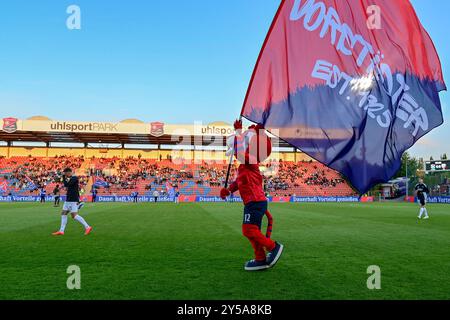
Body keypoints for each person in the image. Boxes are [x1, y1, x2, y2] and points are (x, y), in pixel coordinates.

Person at [220, 120, 283, 271]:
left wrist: (237, 132)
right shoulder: (244, 166)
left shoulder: (250, 160)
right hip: (252, 202)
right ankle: (260, 258)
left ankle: (273, 247)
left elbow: (241, 153)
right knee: (252, 232)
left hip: (255, 201)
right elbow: (238, 182)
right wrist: (228, 190)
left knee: (248, 230)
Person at [52, 168, 93, 236]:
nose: (65, 175)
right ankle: (61, 231)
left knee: (74, 215)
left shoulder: (74, 178)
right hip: (68, 199)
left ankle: (87, 227)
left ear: (69, 172)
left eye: (65, 173)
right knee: (63, 213)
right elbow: (66, 184)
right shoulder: (70, 178)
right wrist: (64, 177)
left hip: (73, 199)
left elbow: (67, 184)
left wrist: (64, 177)